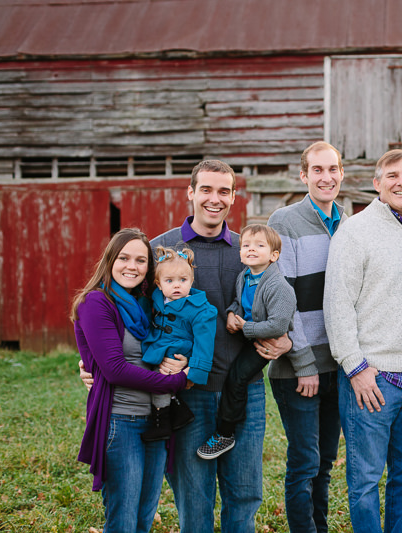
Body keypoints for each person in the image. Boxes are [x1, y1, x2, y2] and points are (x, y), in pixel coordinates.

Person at [81, 160, 278, 531]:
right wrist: (92, 360)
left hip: (243, 390)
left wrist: (284, 338)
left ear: (234, 197)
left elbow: (278, 299)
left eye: (224, 191)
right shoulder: (160, 250)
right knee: (193, 493)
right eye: (206, 189)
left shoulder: (247, 250)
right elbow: (121, 312)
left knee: (245, 492)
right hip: (186, 392)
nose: (214, 199)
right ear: (191, 193)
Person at [323, 149, 402, 533]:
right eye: (393, 175)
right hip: (372, 377)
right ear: (377, 183)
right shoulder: (354, 230)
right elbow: (337, 305)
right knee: (366, 479)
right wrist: (355, 368)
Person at [72, 228, 190, 532]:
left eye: (140, 260)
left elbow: (174, 338)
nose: (131, 266)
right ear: (111, 259)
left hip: (156, 420)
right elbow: (114, 369)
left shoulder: (146, 305)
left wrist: (184, 359)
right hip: (120, 422)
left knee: (144, 516)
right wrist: (177, 382)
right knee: (123, 519)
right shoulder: (97, 303)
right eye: (124, 258)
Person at [265, 141, 346, 533]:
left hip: (338, 365)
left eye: (332, 169)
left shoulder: (346, 222)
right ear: (304, 175)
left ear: (342, 174)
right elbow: (285, 302)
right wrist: (304, 364)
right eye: (317, 170)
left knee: (325, 463)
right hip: (300, 369)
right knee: (304, 462)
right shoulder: (284, 221)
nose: (326, 177)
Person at [197, 224, 297, 459]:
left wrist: (245, 327)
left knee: (238, 377)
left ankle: (225, 433)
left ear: (274, 255)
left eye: (259, 246)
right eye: (246, 246)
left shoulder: (278, 286)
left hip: (265, 342)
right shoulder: (245, 276)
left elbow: (278, 326)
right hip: (249, 333)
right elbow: (238, 302)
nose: (251, 250)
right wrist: (232, 312)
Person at [140, 246, 217, 442]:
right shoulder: (156, 299)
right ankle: (177, 411)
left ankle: (162, 422)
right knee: (149, 377)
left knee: (160, 381)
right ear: (158, 284)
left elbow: (204, 345)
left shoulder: (201, 310)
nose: (177, 286)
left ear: (191, 281)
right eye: (169, 281)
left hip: (177, 352)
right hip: (158, 347)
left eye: (183, 280)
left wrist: (193, 373)